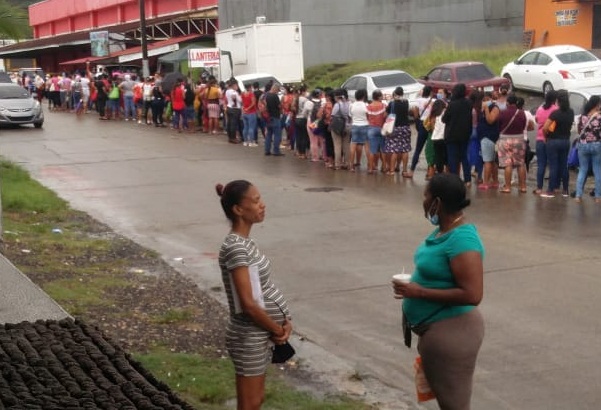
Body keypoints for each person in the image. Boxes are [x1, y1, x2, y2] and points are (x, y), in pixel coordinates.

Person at [393, 173, 484, 410]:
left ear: (438, 203)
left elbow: (473, 295)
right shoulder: (444, 231)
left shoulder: (463, 240)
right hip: (436, 333)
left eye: (426, 195)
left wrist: (419, 292)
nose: (422, 200)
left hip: (454, 333)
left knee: (455, 406)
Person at [216, 180, 292, 410]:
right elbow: (248, 304)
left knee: (256, 401)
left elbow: (260, 291)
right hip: (248, 336)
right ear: (238, 210)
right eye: (256, 201)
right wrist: (277, 329)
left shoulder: (245, 243)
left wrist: (284, 323)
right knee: (249, 405)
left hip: (260, 334)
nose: (263, 205)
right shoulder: (236, 248)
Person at [542, 90, 573, 198]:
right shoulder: (571, 112)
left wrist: (546, 137)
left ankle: (550, 190)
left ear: (558, 101)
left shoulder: (555, 113)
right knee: (564, 165)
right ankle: (565, 190)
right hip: (565, 140)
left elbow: (545, 127)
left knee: (553, 165)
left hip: (554, 141)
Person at [442, 83, 473, 185]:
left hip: (452, 134)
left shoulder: (452, 104)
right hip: (465, 134)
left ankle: (455, 179)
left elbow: (444, 119)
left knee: (452, 158)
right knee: (464, 156)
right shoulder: (468, 103)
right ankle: (468, 179)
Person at [497, 94, 528, 193]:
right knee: (521, 164)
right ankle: (523, 187)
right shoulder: (522, 113)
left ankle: (508, 187)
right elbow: (523, 126)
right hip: (519, 139)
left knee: (508, 164)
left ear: (508, 102)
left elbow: (499, 125)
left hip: (505, 140)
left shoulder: (503, 113)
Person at [574, 95, 601, 203]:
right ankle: (598, 197)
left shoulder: (583, 116)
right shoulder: (599, 117)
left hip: (583, 145)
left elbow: (579, 130)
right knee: (597, 170)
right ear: (597, 104)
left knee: (583, 170)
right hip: (596, 145)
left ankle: (578, 195)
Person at [382, 86, 412, 176]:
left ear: (395, 94)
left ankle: (391, 170)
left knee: (394, 150)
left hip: (395, 128)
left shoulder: (392, 103)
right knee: (405, 150)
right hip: (406, 128)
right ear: (402, 94)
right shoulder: (406, 102)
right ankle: (405, 171)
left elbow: (385, 115)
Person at [533, 90, 558, 195]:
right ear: (555, 99)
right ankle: (551, 188)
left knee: (541, 164)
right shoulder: (556, 109)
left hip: (539, 139)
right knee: (552, 165)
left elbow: (537, 120)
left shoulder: (540, 109)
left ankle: (539, 188)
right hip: (551, 139)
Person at [408, 86, 434, 177]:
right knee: (431, 148)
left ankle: (411, 171)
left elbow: (415, 112)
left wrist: (417, 122)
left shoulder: (418, 101)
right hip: (431, 125)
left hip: (422, 124)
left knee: (418, 149)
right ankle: (430, 171)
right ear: (430, 93)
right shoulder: (433, 101)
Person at [477, 92, 500, 190]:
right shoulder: (482, 109)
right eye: (483, 100)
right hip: (485, 137)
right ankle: (494, 180)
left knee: (487, 161)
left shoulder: (494, 108)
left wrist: (486, 109)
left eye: (487, 99)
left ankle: (486, 182)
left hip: (489, 137)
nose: (485, 102)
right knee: (491, 160)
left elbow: (490, 120)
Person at [366, 89, 387, 174]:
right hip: (381, 129)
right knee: (383, 149)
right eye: (381, 96)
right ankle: (384, 167)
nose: (382, 97)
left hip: (371, 129)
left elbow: (367, 117)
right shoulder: (383, 106)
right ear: (378, 97)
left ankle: (371, 168)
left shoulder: (368, 106)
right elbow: (385, 116)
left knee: (372, 150)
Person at [349, 89, 369, 171]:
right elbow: (368, 116)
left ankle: (351, 166)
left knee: (353, 145)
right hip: (365, 125)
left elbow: (350, 115)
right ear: (363, 96)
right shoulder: (366, 105)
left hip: (355, 126)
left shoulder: (351, 105)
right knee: (367, 146)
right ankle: (370, 166)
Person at [264, 84, 284, 155]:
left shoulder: (266, 95)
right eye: (278, 90)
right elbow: (279, 106)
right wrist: (281, 104)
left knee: (268, 134)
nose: (277, 92)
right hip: (275, 117)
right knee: (277, 135)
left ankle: (267, 150)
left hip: (268, 117)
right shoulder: (274, 96)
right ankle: (276, 151)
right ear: (275, 89)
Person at [225, 79, 242, 144]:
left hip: (229, 107)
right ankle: (233, 138)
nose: (237, 86)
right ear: (234, 85)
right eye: (237, 85)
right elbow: (239, 100)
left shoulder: (227, 91)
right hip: (235, 109)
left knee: (229, 123)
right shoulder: (234, 92)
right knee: (233, 124)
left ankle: (230, 137)